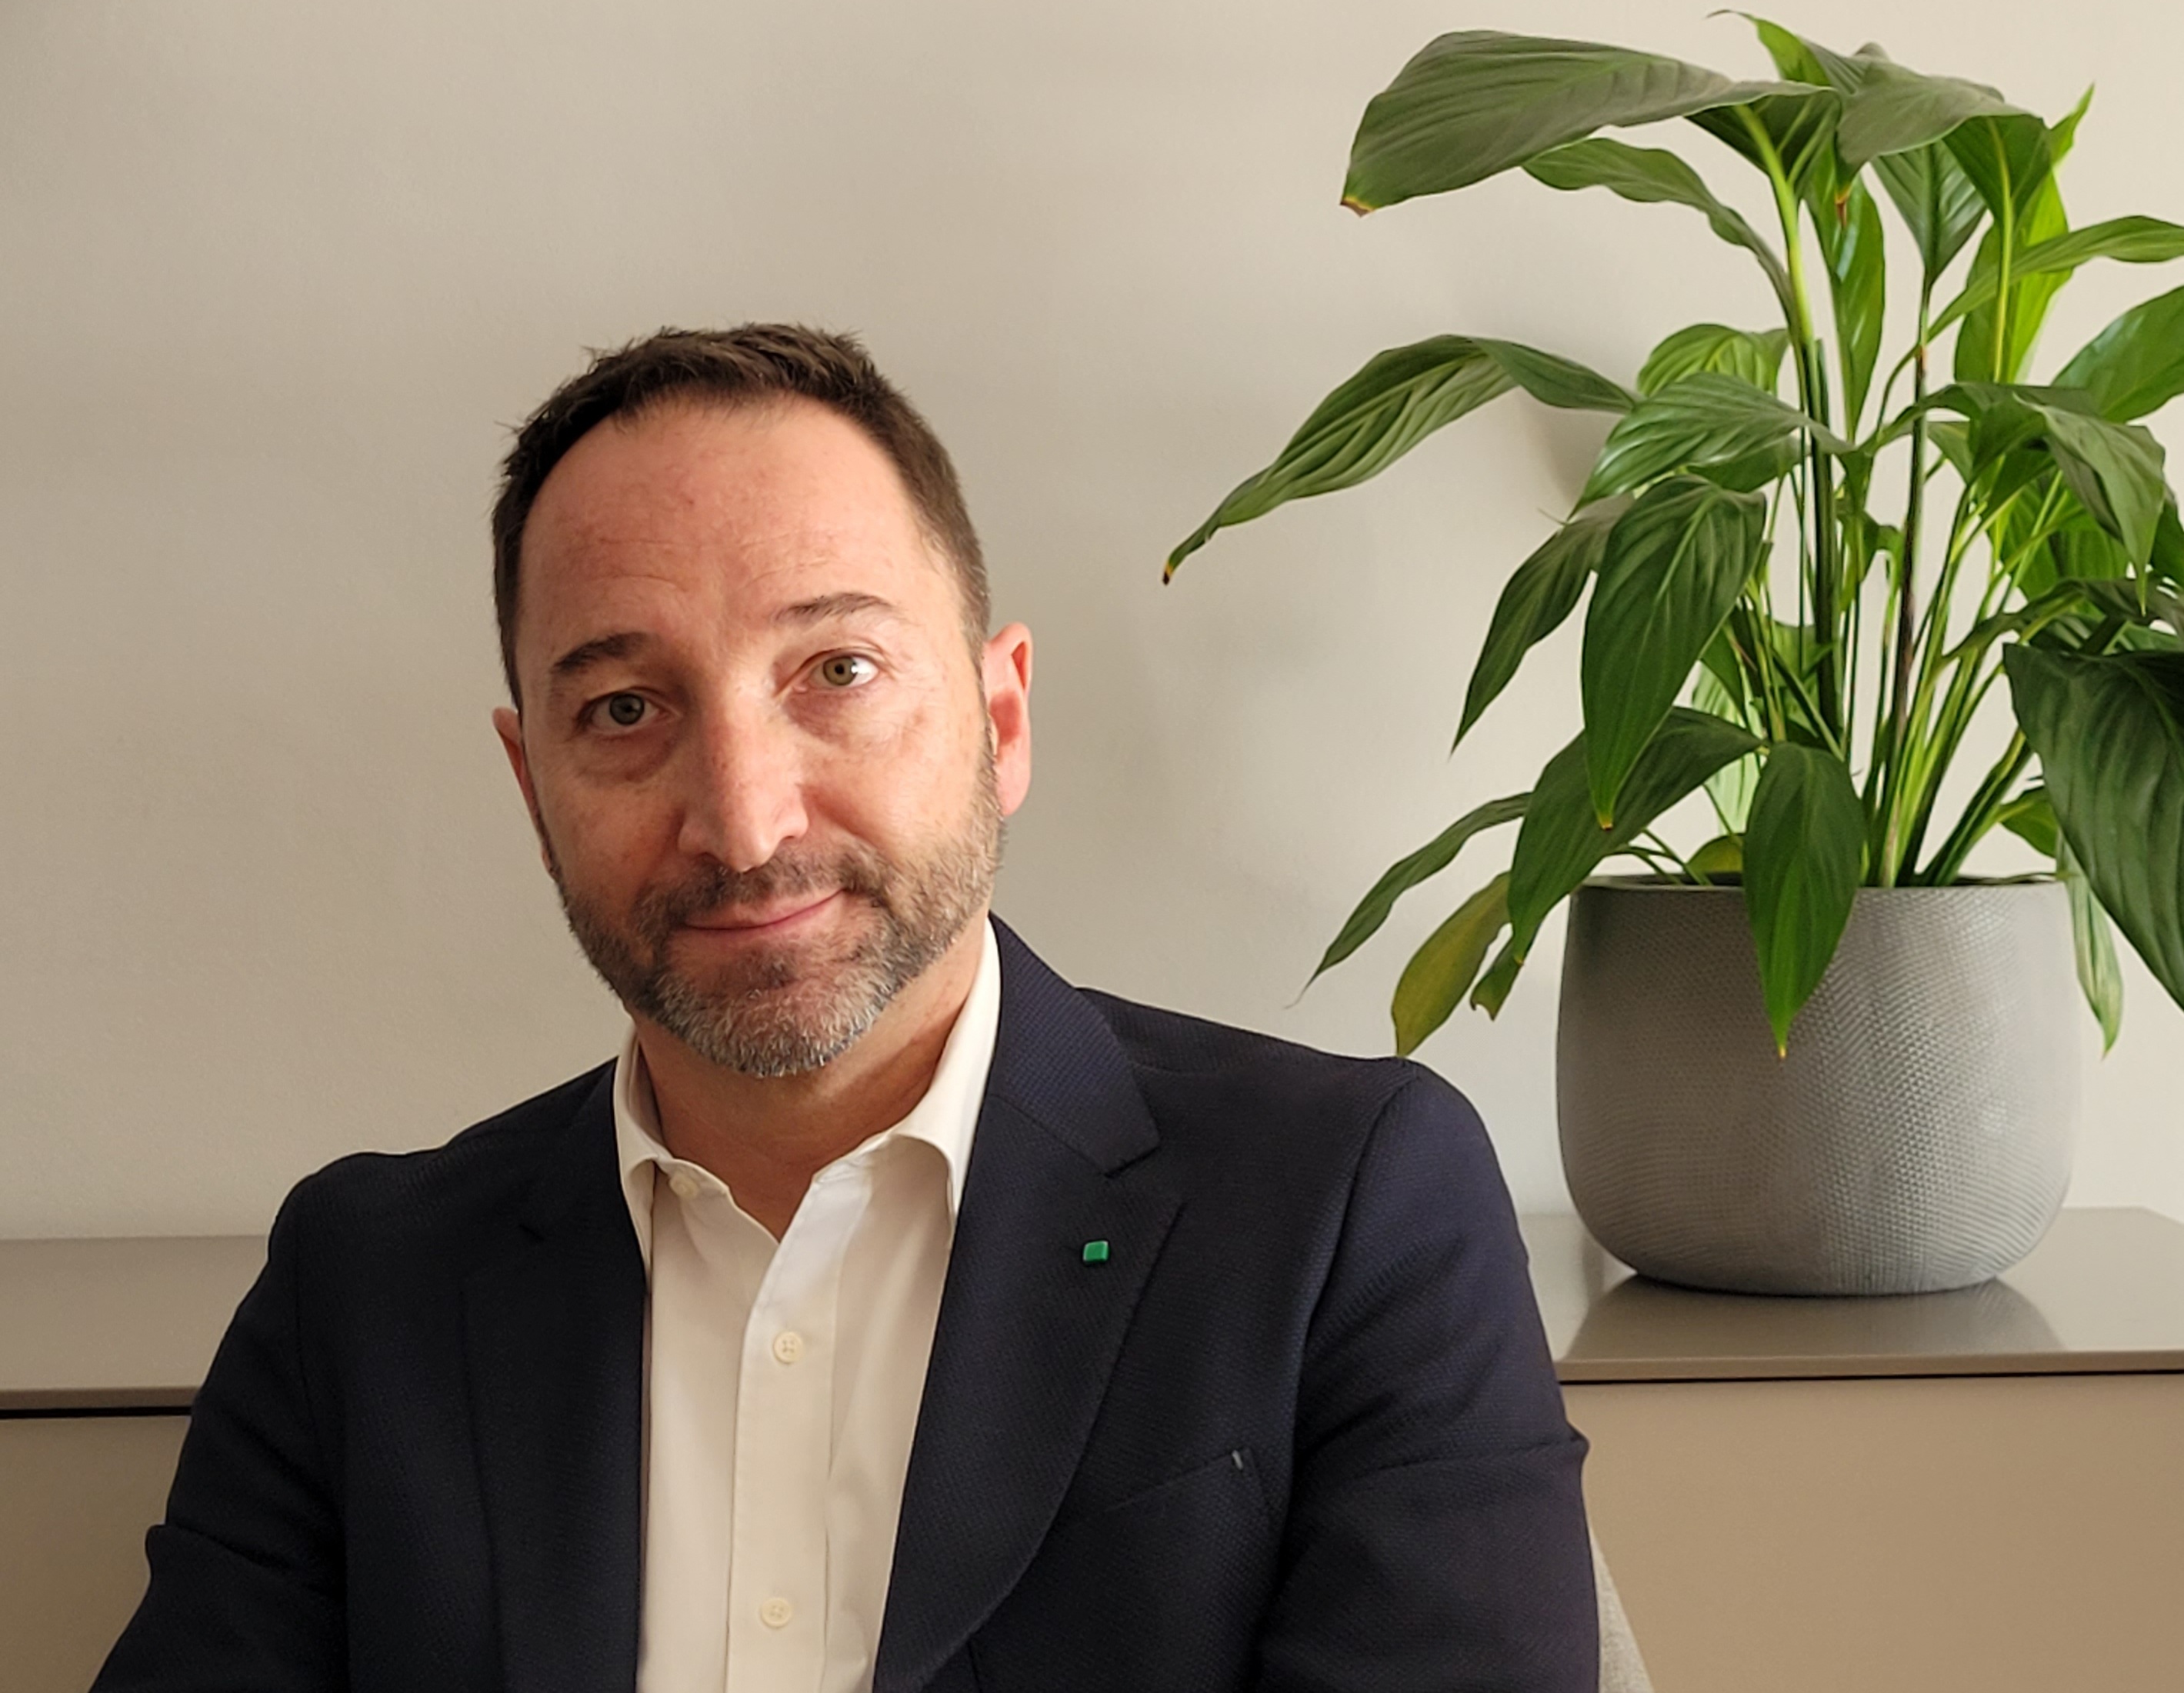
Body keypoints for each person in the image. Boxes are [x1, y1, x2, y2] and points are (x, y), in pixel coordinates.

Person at [95, 325, 1598, 1692]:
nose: (744, 823)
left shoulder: (1347, 1208)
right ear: (533, 789)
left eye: (837, 669)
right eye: (625, 709)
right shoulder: (364, 1290)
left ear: (1000, 718)